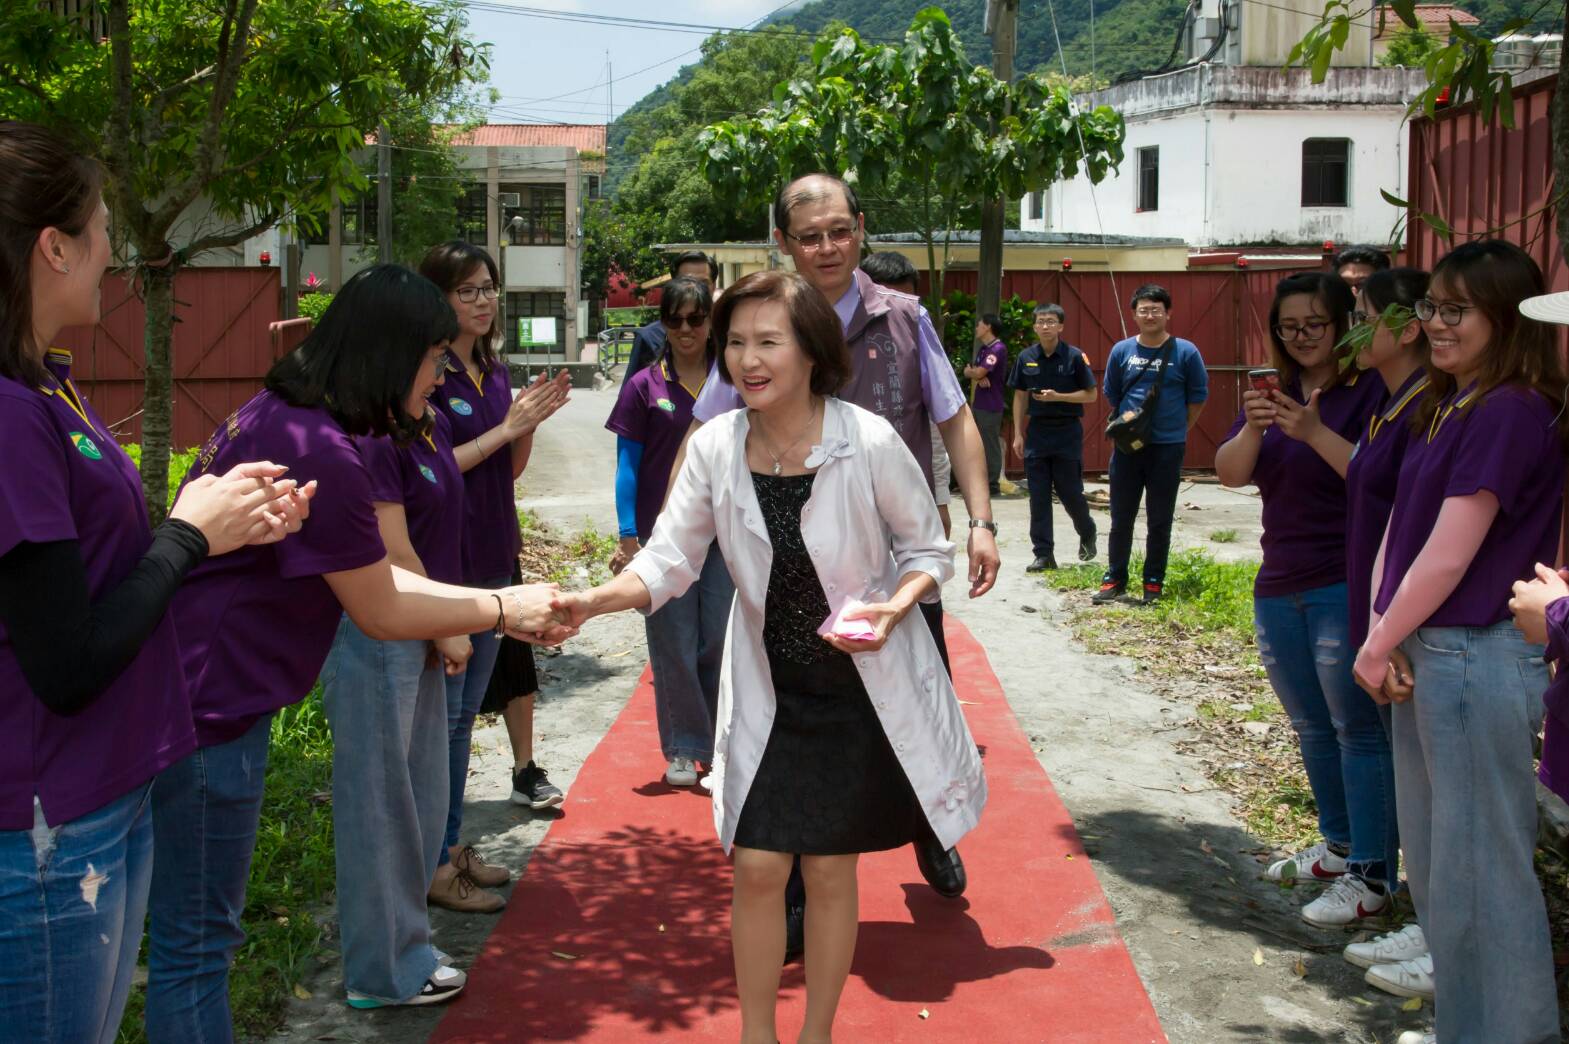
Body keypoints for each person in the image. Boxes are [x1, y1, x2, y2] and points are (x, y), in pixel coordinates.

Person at [553, 271, 985, 1044]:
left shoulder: (868, 440)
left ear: (812, 351)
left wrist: (894, 604)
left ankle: (814, 1034)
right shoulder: (715, 445)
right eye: (735, 344)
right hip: (769, 690)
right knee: (755, 865)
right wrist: (592, 600)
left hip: (854, 691)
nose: (747, 360)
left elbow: (929, 547)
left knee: (825, 868)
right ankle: (758, 1034)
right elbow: (667, 561)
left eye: (767, 342)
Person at [144, 265, 569, 1041]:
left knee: (196, 941)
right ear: (389, 352)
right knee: (198, 946)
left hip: (205, 693)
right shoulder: (323, 447)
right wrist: (504, 607)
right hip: (207, 704)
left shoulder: (285, 413)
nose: (440, 375)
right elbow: (380, 604)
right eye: (434, 357)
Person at [0, 120, 309, 1043]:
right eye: (102, 231)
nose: (113, 256)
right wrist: (186, 535)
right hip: (52, 824)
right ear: (53, 246)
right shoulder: (14, 417)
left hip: (105, 790)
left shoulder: (48, 385)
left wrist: (205, 516)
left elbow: (87, 567)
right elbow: (68, 659)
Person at [686, 175, 997, 900]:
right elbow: (704, 434)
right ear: (783, 244)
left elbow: (954, 419)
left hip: (898, 565)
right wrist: (673, 533)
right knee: (791, 722)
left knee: (916, 700)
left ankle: (931, 827)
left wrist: (979, 522)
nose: (826, 247)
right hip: (788, 567)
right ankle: (794, 889)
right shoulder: (760, 327)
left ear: (860, 226)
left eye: (838, 230)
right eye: (808, 236)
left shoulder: (905, 320)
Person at [1356, 240, 1563, 1044]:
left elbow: (1451, 549)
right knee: (1445, 870)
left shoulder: (1510, 408)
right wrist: (1387, 630)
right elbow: (1402, 536)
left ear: (1505, 318)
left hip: (1473, 656)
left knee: (1483, 874)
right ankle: (1468, 1026)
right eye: (1429, 308)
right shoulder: (1455, 402)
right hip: (1432, 652)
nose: (1434, 325)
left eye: (1455, 310)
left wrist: (1379, 641)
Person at [1214, 272, 1395, 928]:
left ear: (1345, 323)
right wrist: (1258, 427)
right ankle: (1340, 842)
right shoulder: (1278, 393)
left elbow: (1382, 480)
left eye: (1314, 325)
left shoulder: (1370, 389)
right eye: (1288, 328)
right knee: (1312, 725)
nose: (1301, 338)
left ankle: (1372, 873)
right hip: (1278, 582)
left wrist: (1314, 431)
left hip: (1342, 581)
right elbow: (1229, 472)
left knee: (1356, 727)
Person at [422, 242, 572, 912]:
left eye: (488, 289)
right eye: (467, 290)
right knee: (441, 723)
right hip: (441, 570)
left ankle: (450, 849)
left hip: (491, 561)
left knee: (460, 726)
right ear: (437, 296)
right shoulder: (426, 372)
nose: (482, 302)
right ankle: (434, 859)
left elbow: (504, 472)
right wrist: (506, 425)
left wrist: (527, 424)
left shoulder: (491, 369)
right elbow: (423, 473)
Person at [319, 383, 473, 1008]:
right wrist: (447, 621)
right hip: (383, 628)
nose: (440, 374)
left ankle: (406, 949)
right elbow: (394, 548)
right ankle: (381, 972)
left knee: (416, 796)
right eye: (432, 357)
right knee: (381, 805)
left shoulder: (415, 421)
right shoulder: (370, 431)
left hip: (415, 622)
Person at [1337, 267, 1433, 995]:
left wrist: (1389, 627)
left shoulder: (1430, 405)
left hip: (1415, 625)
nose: (1351, 331)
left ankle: (1441, 936)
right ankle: (1428, 920)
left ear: (1403, 326)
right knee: (1417, 785)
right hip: (1380, 610)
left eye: (1363, 315)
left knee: (1437, 791)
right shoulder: (1386, 401)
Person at [606, 276, 734, 786]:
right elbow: (627, 465)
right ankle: (684, 747)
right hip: (666, 536)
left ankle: (722, 745)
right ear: (663, 324)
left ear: (710, 325)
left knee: (721, 640)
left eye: (696, 319)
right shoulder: (643, 386)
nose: (685, 330)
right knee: (674, 642)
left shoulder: (734, 382)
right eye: (674, 320)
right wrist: (628, 533)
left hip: (726, 534)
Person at [1096, 285, 1209, 604]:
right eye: (1143, 310)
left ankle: (1154, 581)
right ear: (1134, 314)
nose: (1149, 315)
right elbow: (1112, 393)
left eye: (1156, 309)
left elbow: (1197, 397)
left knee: (1160, 518)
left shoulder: (1186, 352)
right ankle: (1114, 577)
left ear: (1168, 313)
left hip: (1167, 448)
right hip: (1128, 448)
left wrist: (1179, 428)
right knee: (1121, 516)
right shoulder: (1122, 351)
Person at [858, 252, 954, 545]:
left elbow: (938, 431)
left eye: (904, 301)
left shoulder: (916, 333)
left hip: (910, 497)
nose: (895, 310)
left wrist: (940, 501)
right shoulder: (833, 339)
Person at [1009, 303, 1098, 572]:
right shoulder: (1026, 357)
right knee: (1038, 496)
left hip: (1067, 431)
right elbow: (1020, 395)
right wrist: (1017, 433)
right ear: (1034, 326)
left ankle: (1087, 529)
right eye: (1040, 321)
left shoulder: (1074, 357)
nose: (1045, 326)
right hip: (1037, 432)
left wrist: (1059, 397)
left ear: (1060, 326)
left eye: (1050, 321)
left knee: (1069, 492)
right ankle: (1044, 554)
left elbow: (1091, 395)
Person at [624, 250, 719, 380]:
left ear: (713, 287)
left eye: (703, 283)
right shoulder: (649, 338)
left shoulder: (729, 333)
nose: (695, 289)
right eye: (686, 281)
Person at [964, 313, 1008, 496]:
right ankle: (979, 481)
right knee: (977, 443)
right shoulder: (984, 349)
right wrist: (976, 374)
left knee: (990, 444)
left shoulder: (997, 349)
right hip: (980, 403)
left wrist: (974, 373)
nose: (976, 328)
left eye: (979, 324)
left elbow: (978, 371)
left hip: (991, 405)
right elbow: (977, 373)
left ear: (988, 326)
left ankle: (992, 485)